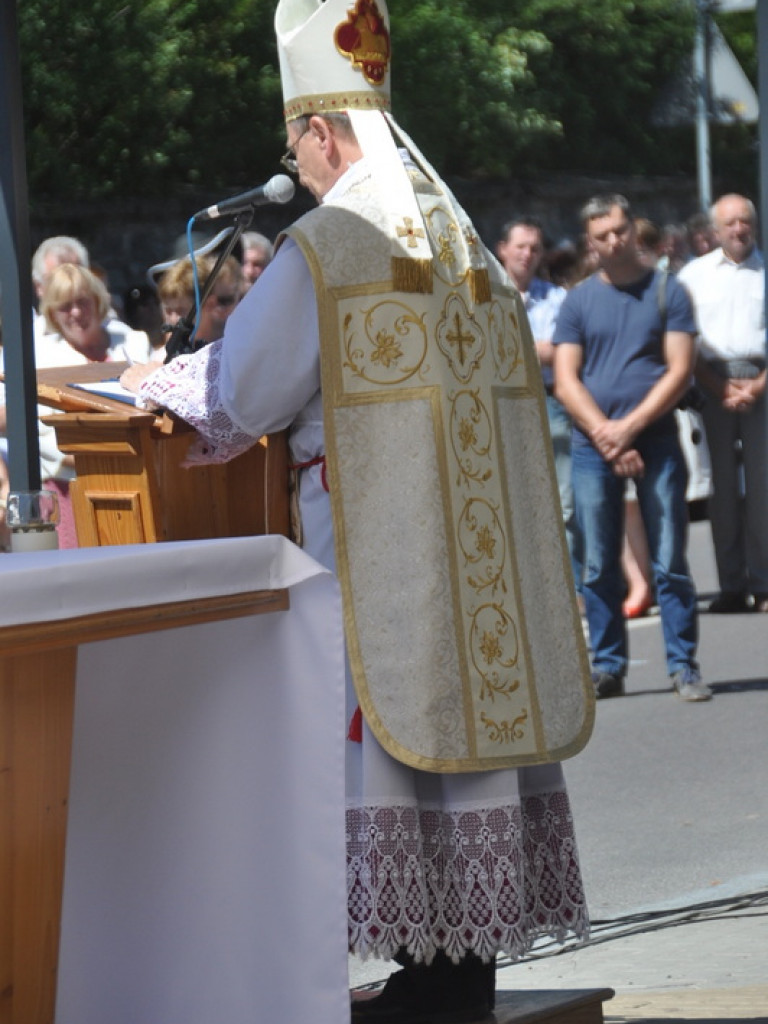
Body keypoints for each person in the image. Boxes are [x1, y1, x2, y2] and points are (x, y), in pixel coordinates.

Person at [122, 2, 593, 1021]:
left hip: (380, 548)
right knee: (453, 746)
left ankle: (429, 982)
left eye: (293, 140)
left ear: (323, 133)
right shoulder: (461, 241)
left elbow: (247, 388)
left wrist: (153, 384)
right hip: (474, 562)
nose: (293, 158)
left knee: (393, 737)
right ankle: (453, 971)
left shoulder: (332, 243)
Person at [553, 194, 710, 702]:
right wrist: (606, 433)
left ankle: (683, 665)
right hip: (590, 446)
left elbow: (679, 369)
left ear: (632, 230)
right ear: (590, 242)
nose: (614, 241)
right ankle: (609, 666)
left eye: (620, 230)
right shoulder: (577, 301)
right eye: (603, 235)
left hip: (657, 438)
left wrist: (631, 427)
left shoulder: (668, 291)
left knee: (668, 558)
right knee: (598, 562)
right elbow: (565, 378)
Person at [678, 194, 768, 613]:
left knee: (763, 488)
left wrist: (757, 385)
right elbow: (684, 340)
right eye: (730, 223)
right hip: (711, 384)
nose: (739, 230)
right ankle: (732, 585)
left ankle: (763, 582)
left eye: (745, 221)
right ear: (715, 231)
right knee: (722, 491)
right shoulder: (694, 276)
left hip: (762, 381)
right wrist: (718, 386)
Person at [32, 263, 153, 546]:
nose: (76, 313)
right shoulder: (43, 358)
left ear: (98, 302)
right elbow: (43, 435)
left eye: (82, 302)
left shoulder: (134, 342)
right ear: (51, 313)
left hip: (138, 480)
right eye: (65, 306)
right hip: (71, 489)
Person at [496, 217, 581, 593]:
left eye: (534, 248)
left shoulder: (556, 297)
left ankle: (570, 588)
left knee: (563, 503)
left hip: (549, 402)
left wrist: (511, 349)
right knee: (510, 499)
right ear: (502, 250)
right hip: (501, 406)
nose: (528, 255)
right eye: (521, 247)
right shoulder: (482, 294)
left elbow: (561, 351)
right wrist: (537, 350)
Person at [156, 253, 244, 352]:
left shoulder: (235, 350)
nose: (173, 319)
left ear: (210, 304)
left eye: (181, 311)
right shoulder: (159, 358)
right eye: (168, 311)